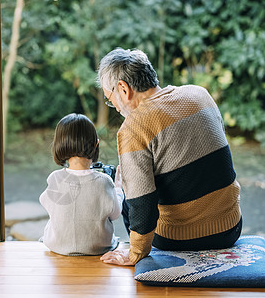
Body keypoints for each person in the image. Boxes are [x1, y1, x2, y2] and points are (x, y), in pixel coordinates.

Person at [97, 48, 242, 266]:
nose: (115, 108)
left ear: (123, 89)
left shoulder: (134, 128)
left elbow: (142, 204)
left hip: (180, 238)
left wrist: (135, 254)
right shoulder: (200, 94)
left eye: (110, 100)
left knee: (128, 192)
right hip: (230, 228)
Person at [39, 113, 124, 256]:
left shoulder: (55, 178)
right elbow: (115, 214)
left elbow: (47, 204)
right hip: (98, 248)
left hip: (58, 246)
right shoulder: (104, 181)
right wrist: (118, 190)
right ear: (96, 144)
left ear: (59, 145)